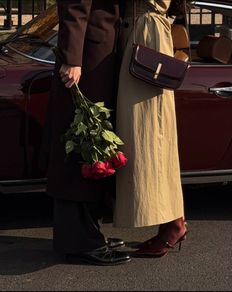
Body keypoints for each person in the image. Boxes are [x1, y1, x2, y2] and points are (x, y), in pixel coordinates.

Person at [42, 0, 131, 266]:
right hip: (86, 61)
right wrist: (72, 58)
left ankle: (90, 234)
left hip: (98, 55)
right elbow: (74, 6)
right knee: (81, 145)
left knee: (93, 145)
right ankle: (80, 243)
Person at [114, 0, 189, 257]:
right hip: (138, 31)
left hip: (146, 35)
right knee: (148, 131)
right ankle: (172, 221)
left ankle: (173, 223)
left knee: (149, 131)